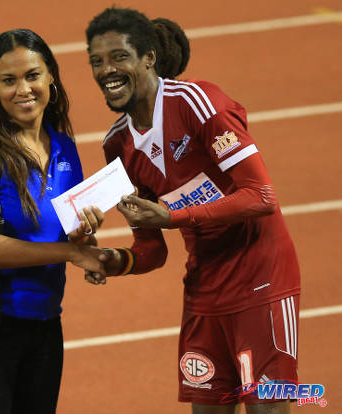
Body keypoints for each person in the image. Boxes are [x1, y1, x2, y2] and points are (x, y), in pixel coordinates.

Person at [85, 7, 301, 414]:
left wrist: (173, 217)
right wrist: (112, 261)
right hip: (204, 290)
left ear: (148, 57)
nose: (106, 70)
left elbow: (261, 195)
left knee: (266, 408)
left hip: (261, 277)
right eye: (96, 61)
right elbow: (151, 250)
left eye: (118, 57)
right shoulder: (117, 145)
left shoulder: (197, 103)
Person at [0, 29, 105, 414]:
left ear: (51, 78)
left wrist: (85, 240)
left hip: (46, 327)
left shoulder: (62, 145)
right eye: (8, 80)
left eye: (32, 75)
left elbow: (62, 229)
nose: (23, 89)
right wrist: (70, 253)